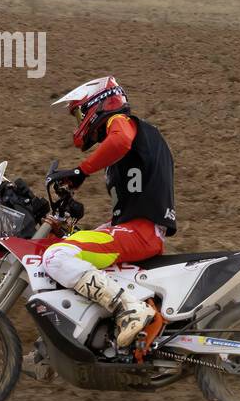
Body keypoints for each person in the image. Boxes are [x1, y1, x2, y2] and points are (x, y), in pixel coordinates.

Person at [42, 76, 177, 348]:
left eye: (79, 112)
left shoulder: (123, 125)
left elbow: (119, 141)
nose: (79, 120)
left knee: (56, 256)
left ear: (98, 104)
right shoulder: (128, 147)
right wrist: (69, 232)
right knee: (67, 246)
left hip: (140, 232)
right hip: (136, 230)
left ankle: (128, 308)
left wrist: (81, 171)